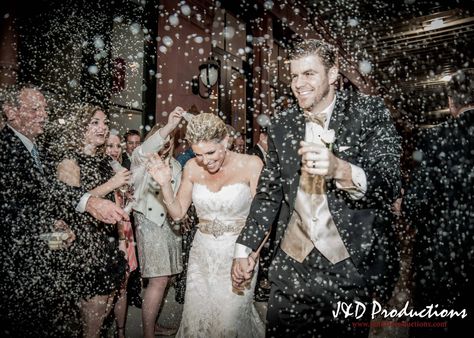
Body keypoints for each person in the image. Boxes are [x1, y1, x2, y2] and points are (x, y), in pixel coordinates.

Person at [232, 39, 401, 337]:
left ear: (333, 74)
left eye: (309, 74)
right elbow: (269, 193)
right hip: (289, 270)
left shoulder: (369, 111)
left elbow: (388, 182)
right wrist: (245, 248)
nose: (299, 83)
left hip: (349, 272)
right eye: (295, 76)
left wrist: (341, 169)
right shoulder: (282, 124)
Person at [0, 85, 128, 337]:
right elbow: (12, 217)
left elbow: (44, 196)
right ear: (11, 112)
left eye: (45, 109)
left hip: (45, 257)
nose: (43, 115)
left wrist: (55, 227)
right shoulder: (7, 149)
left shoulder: (38, 150)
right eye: (35, 109)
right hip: (19, 268)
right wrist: (88, 202)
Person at [147, 112, 265, 337]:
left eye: (211, 152)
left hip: (239, 253)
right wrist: (164, 185)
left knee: (230, 323)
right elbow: (178, 214)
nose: (206, 160)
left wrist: (251, 256)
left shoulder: (251, 164)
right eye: (198, 154)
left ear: (225, 141)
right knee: (198, 319)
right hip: (202, 255)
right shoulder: (192, 167)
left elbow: (262, 218)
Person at [403, 70, 474, 338]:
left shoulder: (437, 139)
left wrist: (409, 208)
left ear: (451, 102)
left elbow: (416, 202)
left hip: (440, 257)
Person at [56, 104, 129, 338]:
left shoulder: (104, 162)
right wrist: (113, 184)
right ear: (81, 126)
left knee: (106, 307)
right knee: (92, 321)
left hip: (105, 243)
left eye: (105, 123)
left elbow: (112, 204)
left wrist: (121, 239)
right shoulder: (70, 161)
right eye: (95, 122)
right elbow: (73, 206)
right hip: (84, 248)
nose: (103, 128)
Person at [129, 107, 184, 338]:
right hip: (149, 223)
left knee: (168, 277)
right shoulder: (141, 160)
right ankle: (148, 334)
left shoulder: (177, 166)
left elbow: (178, 197)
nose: (166, 142)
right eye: (163, 138)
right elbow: (145, 149)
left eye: (170, 139)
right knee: (158, 279)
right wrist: (169, 126)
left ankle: (154, 323)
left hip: (170, 225)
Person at [105, 132, 138, 338]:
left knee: (123, 285)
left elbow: (131, 201)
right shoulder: (98, 171)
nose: (115, 150)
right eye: (110, 146)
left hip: (124, 228)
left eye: (117, 146)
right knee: (105, 289)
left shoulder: (124, 171)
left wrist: (129, 199)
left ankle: (121, 331)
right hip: (107, 232)